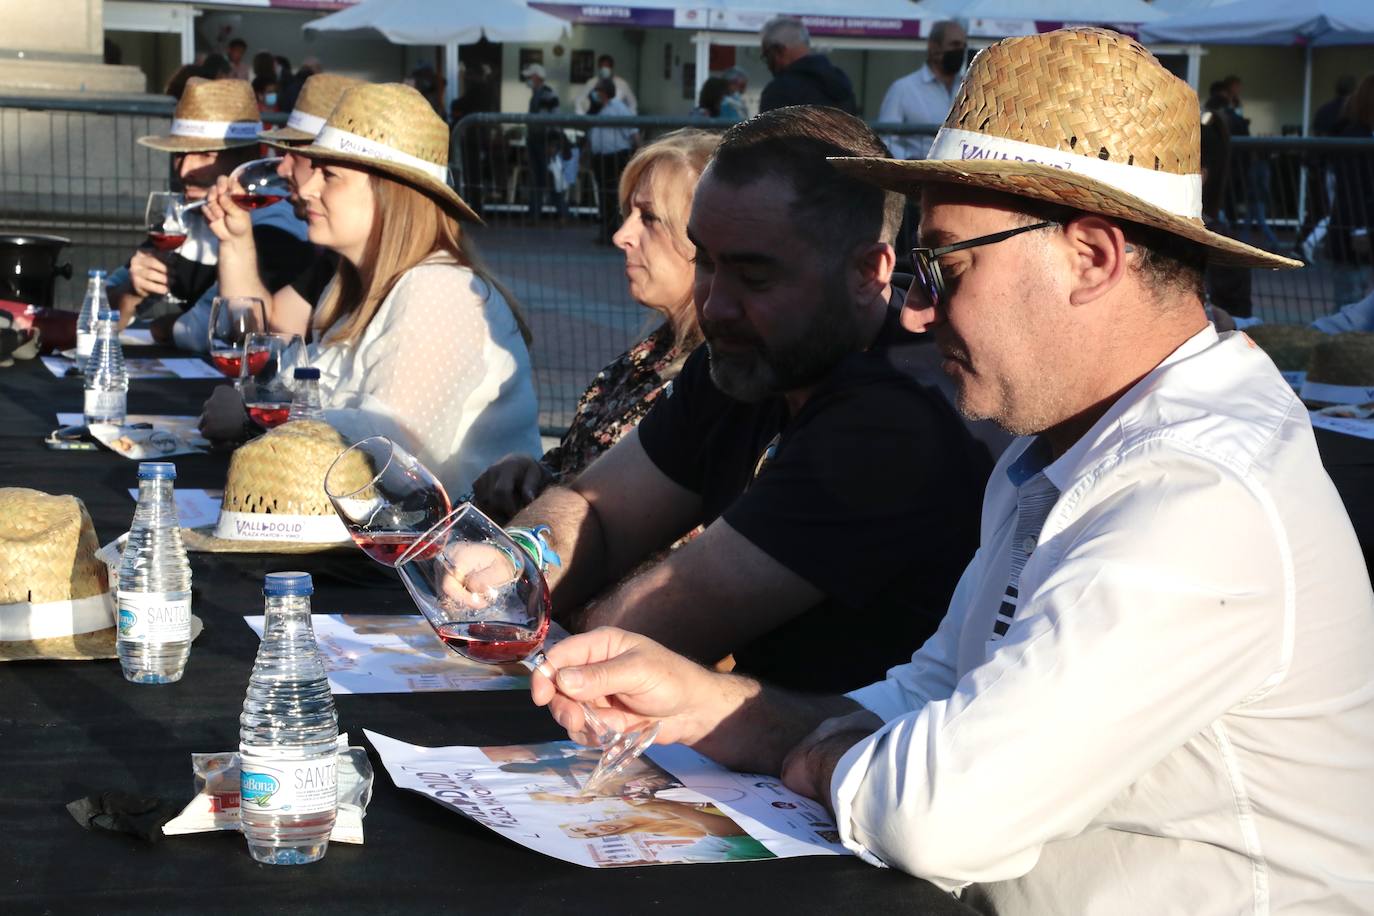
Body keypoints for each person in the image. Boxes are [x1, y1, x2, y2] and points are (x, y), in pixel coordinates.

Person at [530, 29, 1374, 915]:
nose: (917, 311)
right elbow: (929, 694)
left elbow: (938, 813)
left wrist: (814, 755)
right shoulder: (1058, 450)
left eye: (942, 266)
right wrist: (707, 707)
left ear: (1090, 258)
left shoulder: (1199, 494)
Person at [458, 106, 990, 694]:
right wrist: (508, 568)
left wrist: (521, 598)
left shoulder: (892, 418)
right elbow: (599, 511)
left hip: (846, 770)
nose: (714, 306)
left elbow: (645, 628)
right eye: (706, 261)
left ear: (870, 271)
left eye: (756, 277)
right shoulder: (753, 357)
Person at [218, 82, 541, 500]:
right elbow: (295, 392)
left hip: (426, 558)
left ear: (390, 194)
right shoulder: (356, 286)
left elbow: (393, 450)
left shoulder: (440, 289)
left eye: (330, 174)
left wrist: (252, 419)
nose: (309, 188)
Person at [474, 129, 719, 522]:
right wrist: (534, 472)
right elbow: (580, 470)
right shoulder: (650, 355)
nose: (621, 235)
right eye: (628, 214)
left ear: (707, 239)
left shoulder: (720, 382)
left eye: (650, 218)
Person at [106, 77, 310, 349]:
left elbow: (212, 331)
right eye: (179, 154)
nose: (183, 170)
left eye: (204, 155)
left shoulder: (276, 223)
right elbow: (97, 306)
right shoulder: (185, 213)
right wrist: (130, 294)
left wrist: (170, 325)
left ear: (247, 157)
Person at [200, 73, 363, 342]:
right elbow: (267, 336)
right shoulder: (339, 262)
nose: (282, 167)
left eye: (297, 153)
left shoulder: (420, 286)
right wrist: (235, 239)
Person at [876, 20, 967, 161]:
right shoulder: (903, 89)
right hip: (918, 176)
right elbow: (885, 138)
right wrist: (911, 161)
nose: (960, 50)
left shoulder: (968, 88)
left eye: (963, 46)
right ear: (934, 47)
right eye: (954, 45)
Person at [1330, 74, 1374, 305]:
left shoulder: (1356, 135)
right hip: (1353, 230)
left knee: (1353, 296)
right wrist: (1358, 230)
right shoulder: (1355, 137)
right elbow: (1352, 187)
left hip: (1355, 228)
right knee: (1351, 297)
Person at [757, 17, 857, 115]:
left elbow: (767, 131)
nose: (768, 65)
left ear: (779, 50)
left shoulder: (778, 91)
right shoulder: (840, 81)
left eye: (766, 55)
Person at [586, 78, 638, 244]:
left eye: (598, 90)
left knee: (611, 195)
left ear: (605, 92)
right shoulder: (598, 109)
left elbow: (632, 131)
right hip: (600, 157)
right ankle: (605, 232)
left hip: (614, 156)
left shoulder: (618, 108)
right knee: (602, 195)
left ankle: (613, 233)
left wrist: (638, 154)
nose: (595, 93)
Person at [522, 63, 559, 221]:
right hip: (537, 140)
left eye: (530, 76)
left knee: (546, 178)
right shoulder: (538, 94)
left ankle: (560, 212)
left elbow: (550, 121)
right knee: (538, 178)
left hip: (543, 142)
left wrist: (551, 144)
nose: (528, 80)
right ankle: (535, 214)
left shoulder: (546, 94)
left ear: (537, 77)